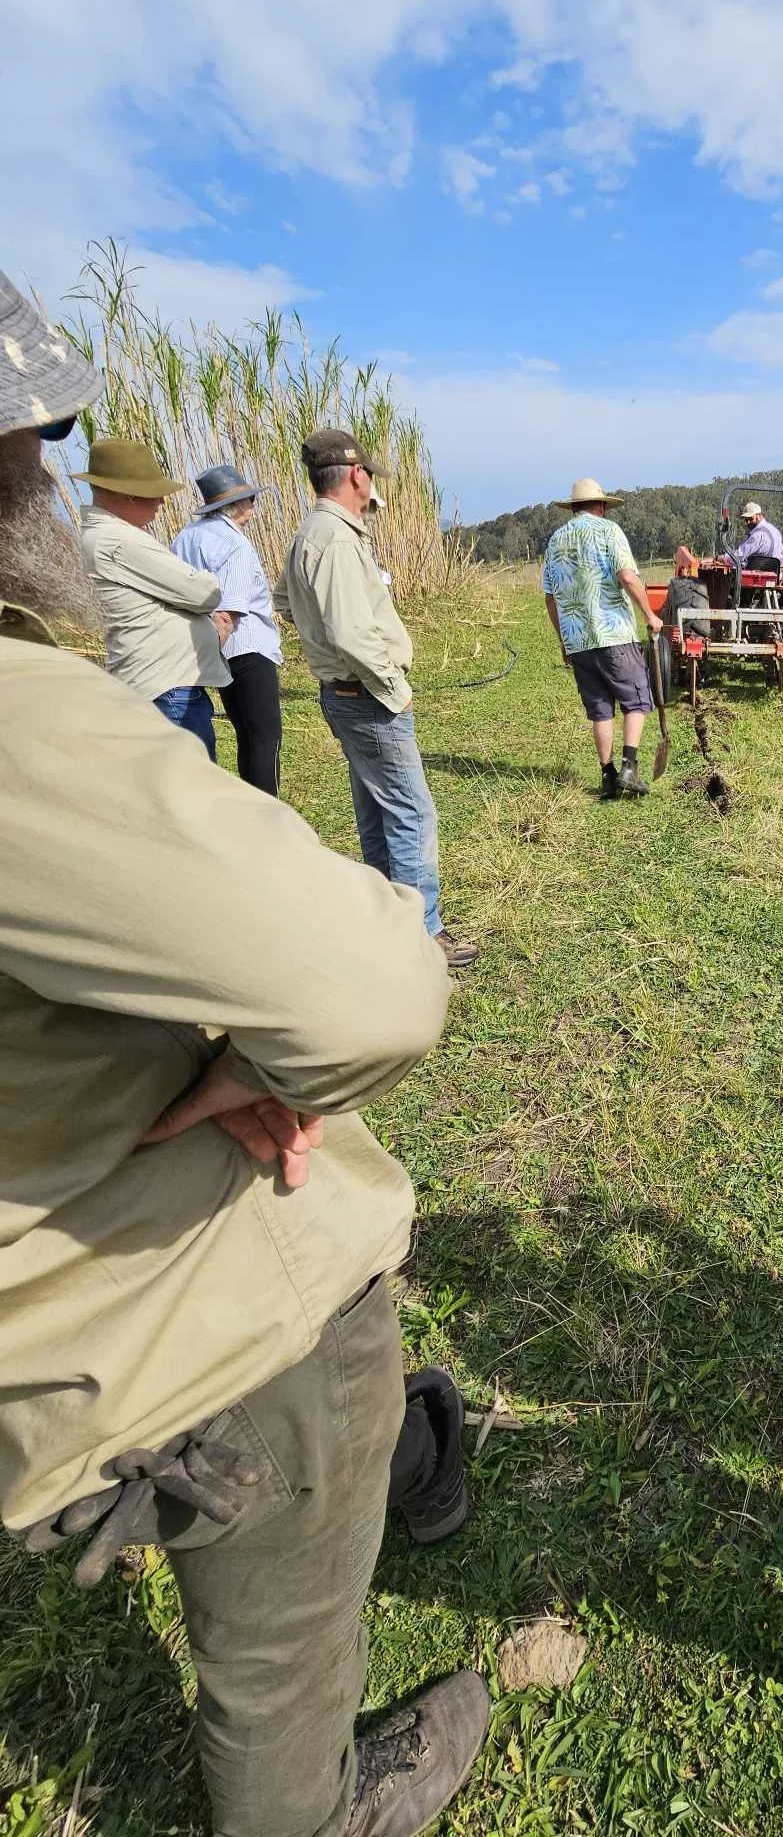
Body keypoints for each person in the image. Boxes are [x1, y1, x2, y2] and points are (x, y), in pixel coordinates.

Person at [0, 274, 491, 1837]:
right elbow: (372, 988)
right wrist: (272, 1073)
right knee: (280, 1662)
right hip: (181, 1320)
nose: (60, 490)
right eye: (38, 454)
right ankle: (313, 1809)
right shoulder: (25, 729)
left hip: (35, 1326)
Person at [276, 429, 477, 970]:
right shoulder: (337, 539)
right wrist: (393, 687)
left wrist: (322, 644)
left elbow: (285, 602)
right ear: (357, 475)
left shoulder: (312, 532)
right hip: (367, 694)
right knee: (412, 813)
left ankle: (388, 921)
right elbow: (350, 633)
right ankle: (420, 936)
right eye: (369, 477)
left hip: (343, 691)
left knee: (376, 808)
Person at [76, 435, 232, 753]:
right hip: (166, 690)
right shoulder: (120, 540)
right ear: (129, 495)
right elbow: (205, 592)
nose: (161, 503)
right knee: (188, 791)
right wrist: (211, 623)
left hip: (158, 685)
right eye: (154, 495)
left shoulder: (103, 537)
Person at [543, 477, 664, 800]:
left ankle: (608, 777)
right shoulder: (609, 531)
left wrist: (564, 641)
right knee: (636, 699)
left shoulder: (555, 541)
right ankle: (629, 767)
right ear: (601, 506)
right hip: (614, 634)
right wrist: (650, 615)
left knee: (600, 710)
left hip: (578, 641)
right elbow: (627, 575)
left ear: (573, 508)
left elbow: (551, 598)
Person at [173, 464, 284, 794]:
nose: (253, 504)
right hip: (245, 647)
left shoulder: (186, 537)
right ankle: (268, 814)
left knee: (244, 730)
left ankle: (252, 807)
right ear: (237, 506)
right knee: (265, 736)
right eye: (250, 498)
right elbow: (229, 612)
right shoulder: (236, 546)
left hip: (206, 644)